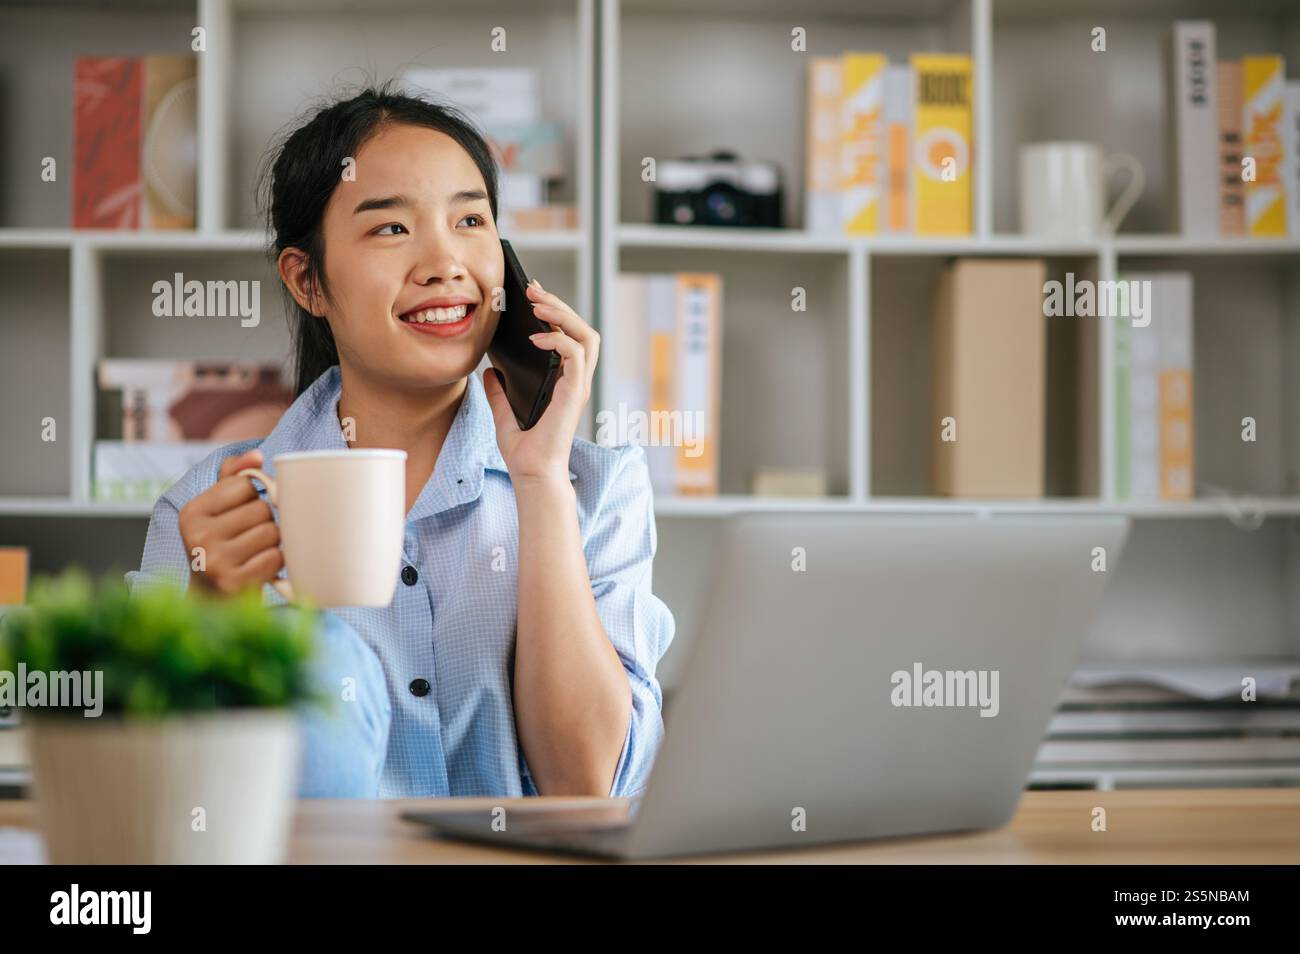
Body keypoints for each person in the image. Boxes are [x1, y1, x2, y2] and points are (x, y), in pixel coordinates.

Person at [127, 82, 675, 800]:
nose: (445, 264)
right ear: (307, 280)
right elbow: (147, 791)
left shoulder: (596, 489)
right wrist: (209, 615)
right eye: (391, 229)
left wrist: (541, 484)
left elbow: (587, 784)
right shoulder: (209, 507)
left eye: (471, 220)